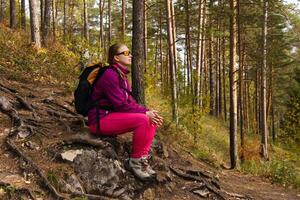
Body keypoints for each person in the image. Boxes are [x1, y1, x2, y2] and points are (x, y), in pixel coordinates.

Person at [88, 43, 163, 181]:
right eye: (126, 53)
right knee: (144, 119)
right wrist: (145, 114)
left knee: (150, 118)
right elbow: (120, 105)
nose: (130, 55)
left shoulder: (122, 76)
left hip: (111, 116)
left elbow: (130, 103)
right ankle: (134, 162)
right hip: (99, 120)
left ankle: (142, 159)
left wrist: (148, 111)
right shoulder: (109, 75)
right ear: (116, 58)